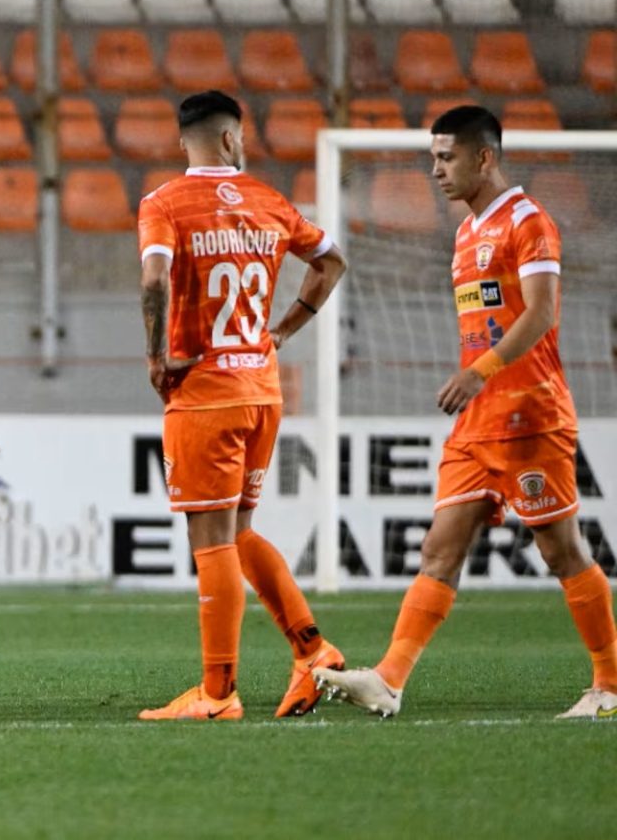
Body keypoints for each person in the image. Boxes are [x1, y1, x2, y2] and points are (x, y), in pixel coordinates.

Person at [317, 105, 617, 719]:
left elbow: (539, 313)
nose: (435, 170)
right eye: (432, 158)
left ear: (484, 157)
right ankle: (390, 680)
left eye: (446, 157)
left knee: (561, 551)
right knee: (439, 548)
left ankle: (609, 685)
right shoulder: (464, 233)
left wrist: (478, 371)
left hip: (531, 417)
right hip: (478, 424)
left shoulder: (528, 222)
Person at [136, 91, 349, 721]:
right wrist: (287, 326)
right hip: (261, 389)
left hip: (204, 395)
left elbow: (153, 278)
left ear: (186, 143)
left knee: (211, 542)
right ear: (232, 139)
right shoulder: (271, 202)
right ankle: (312, 651)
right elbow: (331, 262)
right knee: (239, 532)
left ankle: (218, 693)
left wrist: (155, 356)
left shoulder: (164, 203)